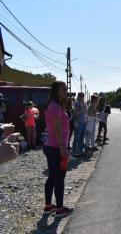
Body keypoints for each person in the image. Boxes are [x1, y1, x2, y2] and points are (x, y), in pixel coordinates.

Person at [43, 81, 73, 217]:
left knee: (52, 177)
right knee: (59, 178)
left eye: (66, 88)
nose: (66, 91)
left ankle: (49, 206)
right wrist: (62, 148)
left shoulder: (56, 105)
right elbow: (57, 129)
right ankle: (60, 209)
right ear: (56, 91)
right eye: (63, 89)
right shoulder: (55, 107)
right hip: (56, 147)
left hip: (52, 146)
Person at [72, 92, 87, 157]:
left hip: (84, 122)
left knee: (82, 137)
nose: (82, 97)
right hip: (78, 122)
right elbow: (75, 113)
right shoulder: (76, 103)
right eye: (81, 96)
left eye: (82, 96)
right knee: (76, 137)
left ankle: (80, 151)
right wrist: (82, 110)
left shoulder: (84, 103)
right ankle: (74, 152)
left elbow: (85, 112)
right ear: (78, 96)